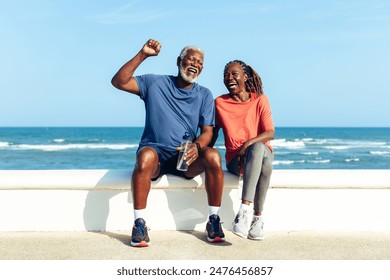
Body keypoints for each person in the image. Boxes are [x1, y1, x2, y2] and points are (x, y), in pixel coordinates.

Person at [111, 39, 225, 247]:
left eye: (200, 62)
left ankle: (214, 221)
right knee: (145, 156)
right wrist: (143, 55)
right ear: (179, 61)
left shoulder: (204, 94)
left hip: (184, 159)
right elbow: (119, 81)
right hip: (156, 157)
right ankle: (139, 224)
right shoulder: (155, 83)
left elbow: (207, 132)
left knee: (213, 156)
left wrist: (196, 147)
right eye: (190, 59)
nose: (195, 64)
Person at [211, 60, 275, 240]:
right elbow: (213, 133)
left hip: (259, 154)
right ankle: (256, 217)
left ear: (245, 77)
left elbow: (270, 132)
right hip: (236, 162)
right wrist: (199, 152)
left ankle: (246, 212)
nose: (229, 78)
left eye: (234, 74)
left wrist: (247, 145)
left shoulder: (260, 99)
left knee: (259, 151)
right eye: (226, 75)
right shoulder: (220, 103)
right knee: (266, 163)